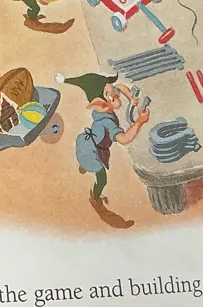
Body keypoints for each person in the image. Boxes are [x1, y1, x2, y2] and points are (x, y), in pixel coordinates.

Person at [59, 71, 148, 225]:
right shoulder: (106, 122)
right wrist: (140, 121)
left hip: (90, 142)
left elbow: (120, 87)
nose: (115, 94)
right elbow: (124, 139)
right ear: (100, 105)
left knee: (90, 162)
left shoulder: (108, 97)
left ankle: (83, 166)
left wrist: (131, 98)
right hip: (91, 151)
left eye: (112, 90)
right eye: (110, 95)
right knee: (102, 179)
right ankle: (95, 198)